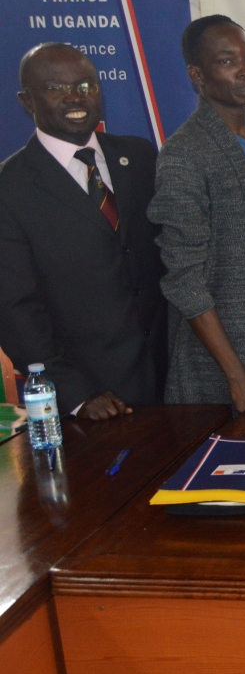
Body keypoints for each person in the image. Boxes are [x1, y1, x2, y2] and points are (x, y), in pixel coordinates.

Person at [0, 43, 166, 418]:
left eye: (86, 85)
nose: (76, 97)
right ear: (27, 101)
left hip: (173, 380)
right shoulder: (10, 187)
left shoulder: (138, 157)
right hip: (93, 399)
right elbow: (15, 309)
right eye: (55, 88)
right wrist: (74, 395)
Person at [149, 15, 245, 414]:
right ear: (196, 74)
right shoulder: (184, 153)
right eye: (227, 60)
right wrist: (236, 375)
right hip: (225, 356)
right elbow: (184, 278)